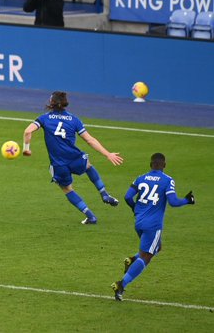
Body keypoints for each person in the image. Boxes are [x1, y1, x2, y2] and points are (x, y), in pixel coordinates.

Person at [22, 91, 123, 224]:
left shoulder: (44, 118)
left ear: (51, 102)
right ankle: (104, 194)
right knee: (88, 166)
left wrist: (26, 149)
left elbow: (28, 131)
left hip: (59, 164)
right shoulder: (74, 119)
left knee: (67, 189)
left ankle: (91, 216)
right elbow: (90, 140)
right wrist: (107, 154)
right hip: (75, 157)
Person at [111, 153, 195, 301]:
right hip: (153, 225)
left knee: (157, 247)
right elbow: (174, 202)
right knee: (146, 257)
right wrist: (187, 200)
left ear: (151, 165)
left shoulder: (141, 178)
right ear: (164, 165)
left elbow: (127, 197)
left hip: (139, 222)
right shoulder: (167, 180)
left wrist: (135, 208)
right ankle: (121, 284)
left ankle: (132, 260)